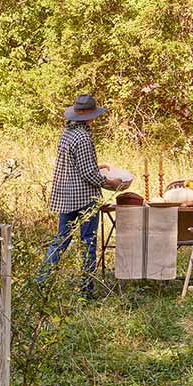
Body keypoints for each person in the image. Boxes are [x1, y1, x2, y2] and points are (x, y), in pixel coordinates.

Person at [39, 93, 123, 296]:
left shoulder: (67, 133)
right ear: (88, 117)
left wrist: (97, 166)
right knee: (89, 242)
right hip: (84, 198)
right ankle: (87, 289)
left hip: (66, 196)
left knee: (61, 239)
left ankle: (41, 282)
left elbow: (75, 164)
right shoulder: (84, 137)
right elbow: (88, 174)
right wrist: (111, 182)